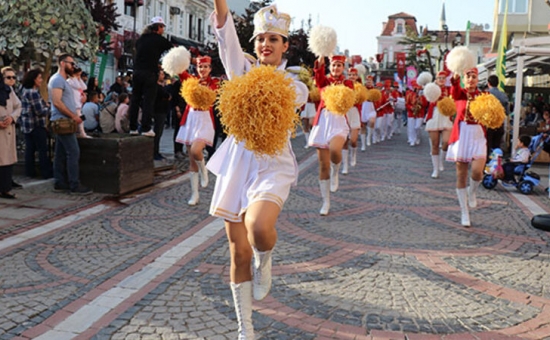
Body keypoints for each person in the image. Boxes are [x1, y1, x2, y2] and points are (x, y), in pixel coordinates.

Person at [209, 2, 307, 338]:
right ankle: (245, 328)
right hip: (238, 163)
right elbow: (225, 31)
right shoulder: (241, 70)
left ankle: (265, 260)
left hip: (272, 164)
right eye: (261, 38)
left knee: (259, 228)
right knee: (237, 253)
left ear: (285, 46)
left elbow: (290, 101)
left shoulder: (295, 84)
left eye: (273, 39)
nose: (266, 44)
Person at [308, 55, 352, 216]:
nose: (336, 68)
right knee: (323, 166)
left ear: (343, 68)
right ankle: (326, 201)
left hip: (338, 121)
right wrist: (321, 55)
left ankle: (336, 171)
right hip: (322, 122)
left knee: (335, 150)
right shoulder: (324, 82)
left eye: (339, 65)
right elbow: (318, 74)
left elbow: (349, 96)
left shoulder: (347, 83)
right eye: (333, 65)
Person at [176, 56, 220, 204]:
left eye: (206, 67)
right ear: (197, 68)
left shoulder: (215, 83)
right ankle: (194, 195)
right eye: (201, 67)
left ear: (210, 68)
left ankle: (204, 171)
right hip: (191, 119)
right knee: (191, 160)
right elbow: (180, 72)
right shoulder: (191, 80)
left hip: (205, 120)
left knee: (196, 151)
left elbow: (212, 97)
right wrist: (182, 57)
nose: (203, 70)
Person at [48, 53, 91, 195]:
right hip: (63, 121)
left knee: (61, 153)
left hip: (65, 120)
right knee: (73, 152)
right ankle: (74, 184)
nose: (73, 66)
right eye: (71, 63)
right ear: (62, 63)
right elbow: (57, 102)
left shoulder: (63, 80)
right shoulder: (57, 80)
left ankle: (60, 181)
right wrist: (73, 116)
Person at [446, 67, 484, 227]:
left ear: (477, 78)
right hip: (462, 134)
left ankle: (472, 191)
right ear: (463, 78)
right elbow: (454, 90)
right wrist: (455, 78)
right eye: (468, 76)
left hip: (478, 134)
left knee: (477, 171)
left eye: (474, 76)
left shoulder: (484, 96)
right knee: (461, 175)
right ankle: (464, 212)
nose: (471, 79)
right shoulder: (460, 93)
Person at [128, 17, 173, 137]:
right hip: (150, 73)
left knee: (135, 99)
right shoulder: (159, 40)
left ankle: (132, 127)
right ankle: (146, 127)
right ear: (158, 27)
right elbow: (172, 50)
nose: (163, 30)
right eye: (162, 27)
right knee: (148, 101)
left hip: (137, 72)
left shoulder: (141, 39)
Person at [20, 67, 53, 179]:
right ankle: (46, 173)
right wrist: (50, 109)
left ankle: (30, 172)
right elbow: (39, 111)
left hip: (27, 125)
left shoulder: (24, 91)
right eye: (39, 78)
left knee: (30, 150)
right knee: (42, 150)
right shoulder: (33, 93)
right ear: (34, 79)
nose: (41, 80)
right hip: (36, 125)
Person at [425, 70, 454, 178]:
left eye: (443, 78)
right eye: (439, 78)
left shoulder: (449, 89)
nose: (441, 80)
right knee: (435, 144)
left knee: (446, 142)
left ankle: (441, 160)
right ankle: (435, 169)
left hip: (446, 115)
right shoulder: (431, 88)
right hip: (435, 115)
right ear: (436, 80)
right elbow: (428, 100)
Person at [0, 72, 22, 199]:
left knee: (6, 161)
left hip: (7, 129)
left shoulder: (8, 90)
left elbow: (18, 106)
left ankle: (5, 189)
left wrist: (12, 117)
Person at [341, 67, 362, 175]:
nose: (352, 77)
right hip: (345, 113)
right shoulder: (343, 85)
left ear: (357, 76)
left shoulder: (360, 87)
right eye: (350, 75)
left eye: (354, 75)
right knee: (344, 140)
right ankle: (345, 165)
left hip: (355, 112)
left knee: (353, 140)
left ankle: (353, 154)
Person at [486, 74, 510, 162]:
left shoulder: (486, 94)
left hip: (488, 124)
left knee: (487, 145)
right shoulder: (503, 95)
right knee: (497, 146)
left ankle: (487, 165)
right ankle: (496, 164)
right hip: (500, 123)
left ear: (488, 83)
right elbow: (507, 112)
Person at [67, 66, 89, 138]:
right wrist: (75, 78)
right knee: (79, 119)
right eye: (78, 74)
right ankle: (82, 134)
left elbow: (84, 87)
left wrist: (79, 79)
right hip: (73, 104)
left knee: (80, 118)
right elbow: (78, 86)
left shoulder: (76, 80)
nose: (79, 76)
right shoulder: (70, 81)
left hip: (78, 103)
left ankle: (81, 133)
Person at [153, 71, 171, 161]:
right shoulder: (157, 87)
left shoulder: (161, 86)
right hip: (158, 111)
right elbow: (166, 96)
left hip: (162, 111)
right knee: (157, 133)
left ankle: (156, 151)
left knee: (159, 133)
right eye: (161, 74)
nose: (163, 76)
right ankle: (154, 152)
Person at [406, 80, 427, 147]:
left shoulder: (422, 95)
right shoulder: (409, 93)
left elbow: (426, 104)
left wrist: (421, 101)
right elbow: (407, 103)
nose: (416, 89)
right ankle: (412, 140)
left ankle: (418, 137)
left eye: (417, 87)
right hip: (411, 113)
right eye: (415, 87)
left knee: (418, 127)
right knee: (411, 127)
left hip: (420, 113)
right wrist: (411, 108)